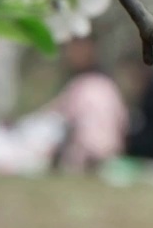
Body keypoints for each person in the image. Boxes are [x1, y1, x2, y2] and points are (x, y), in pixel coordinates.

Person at [46, 37, 128, 174]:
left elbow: (58, 116)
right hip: (107, 156)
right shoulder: (105, 84)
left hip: (87, 154)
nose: (70, 55)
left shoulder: (89, 85)